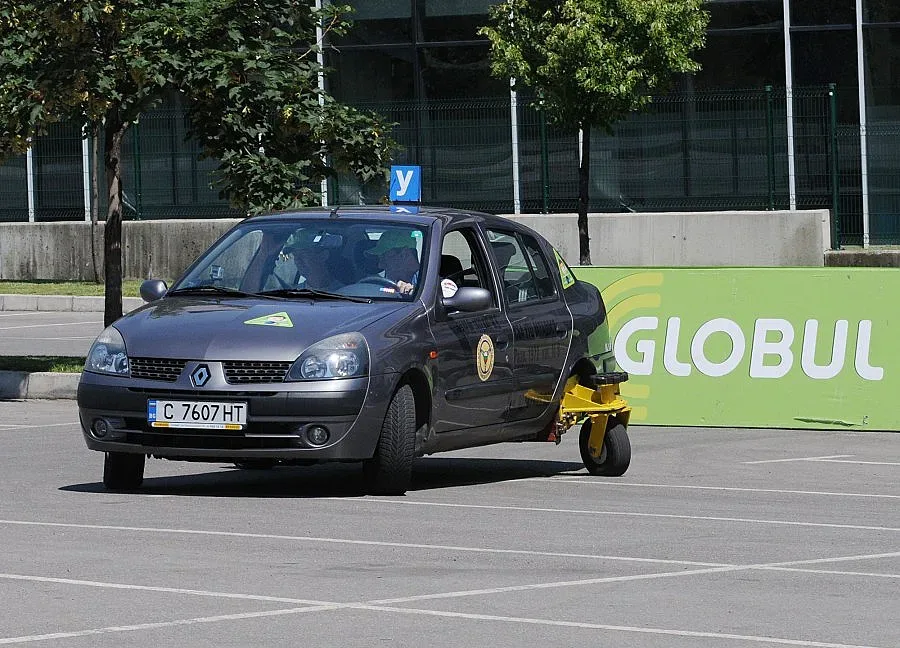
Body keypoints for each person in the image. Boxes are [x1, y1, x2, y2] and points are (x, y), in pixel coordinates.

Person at [365, 229, 422, 295]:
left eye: (385, 257)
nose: (380, 265)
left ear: (404, 255)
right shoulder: (377, 284)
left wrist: (413, 293)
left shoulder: (427, 285)